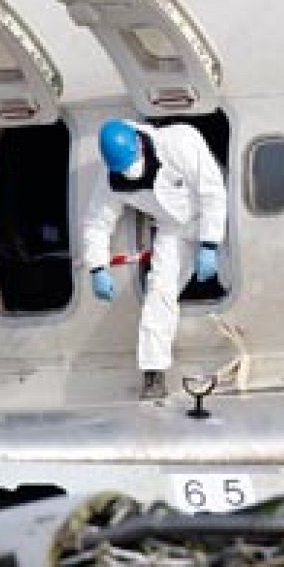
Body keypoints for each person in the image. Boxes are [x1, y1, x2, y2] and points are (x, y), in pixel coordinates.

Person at [80, 119, 228, 400]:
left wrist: (210, 244)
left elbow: (213, 194)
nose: (130, 172)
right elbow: (98, 222)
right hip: (173, 229)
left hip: (214, 215)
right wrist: (97, 267)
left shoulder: (179, 143)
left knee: (231, 275)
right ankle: (153, 373)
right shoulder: (112, 179)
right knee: (159, 290)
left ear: (139, 143)